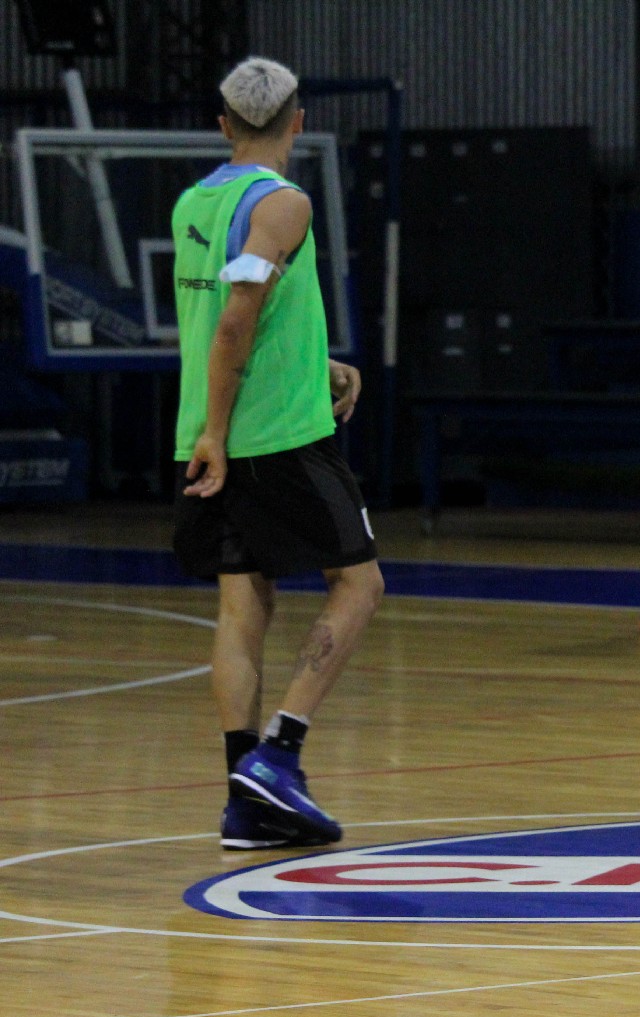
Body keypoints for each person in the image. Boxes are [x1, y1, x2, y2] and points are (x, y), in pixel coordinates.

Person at [172, 57, 384, 849]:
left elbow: (235, 325)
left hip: (211, 428)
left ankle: (245, 802)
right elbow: (236, 320)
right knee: (358, 585)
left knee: (244, 604)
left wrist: (314, 363)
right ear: (298, 121)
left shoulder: (194, 202)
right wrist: (223, 432)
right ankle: (280, 753)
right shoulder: (284, 202)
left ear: (223, 125)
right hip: (274, 436)